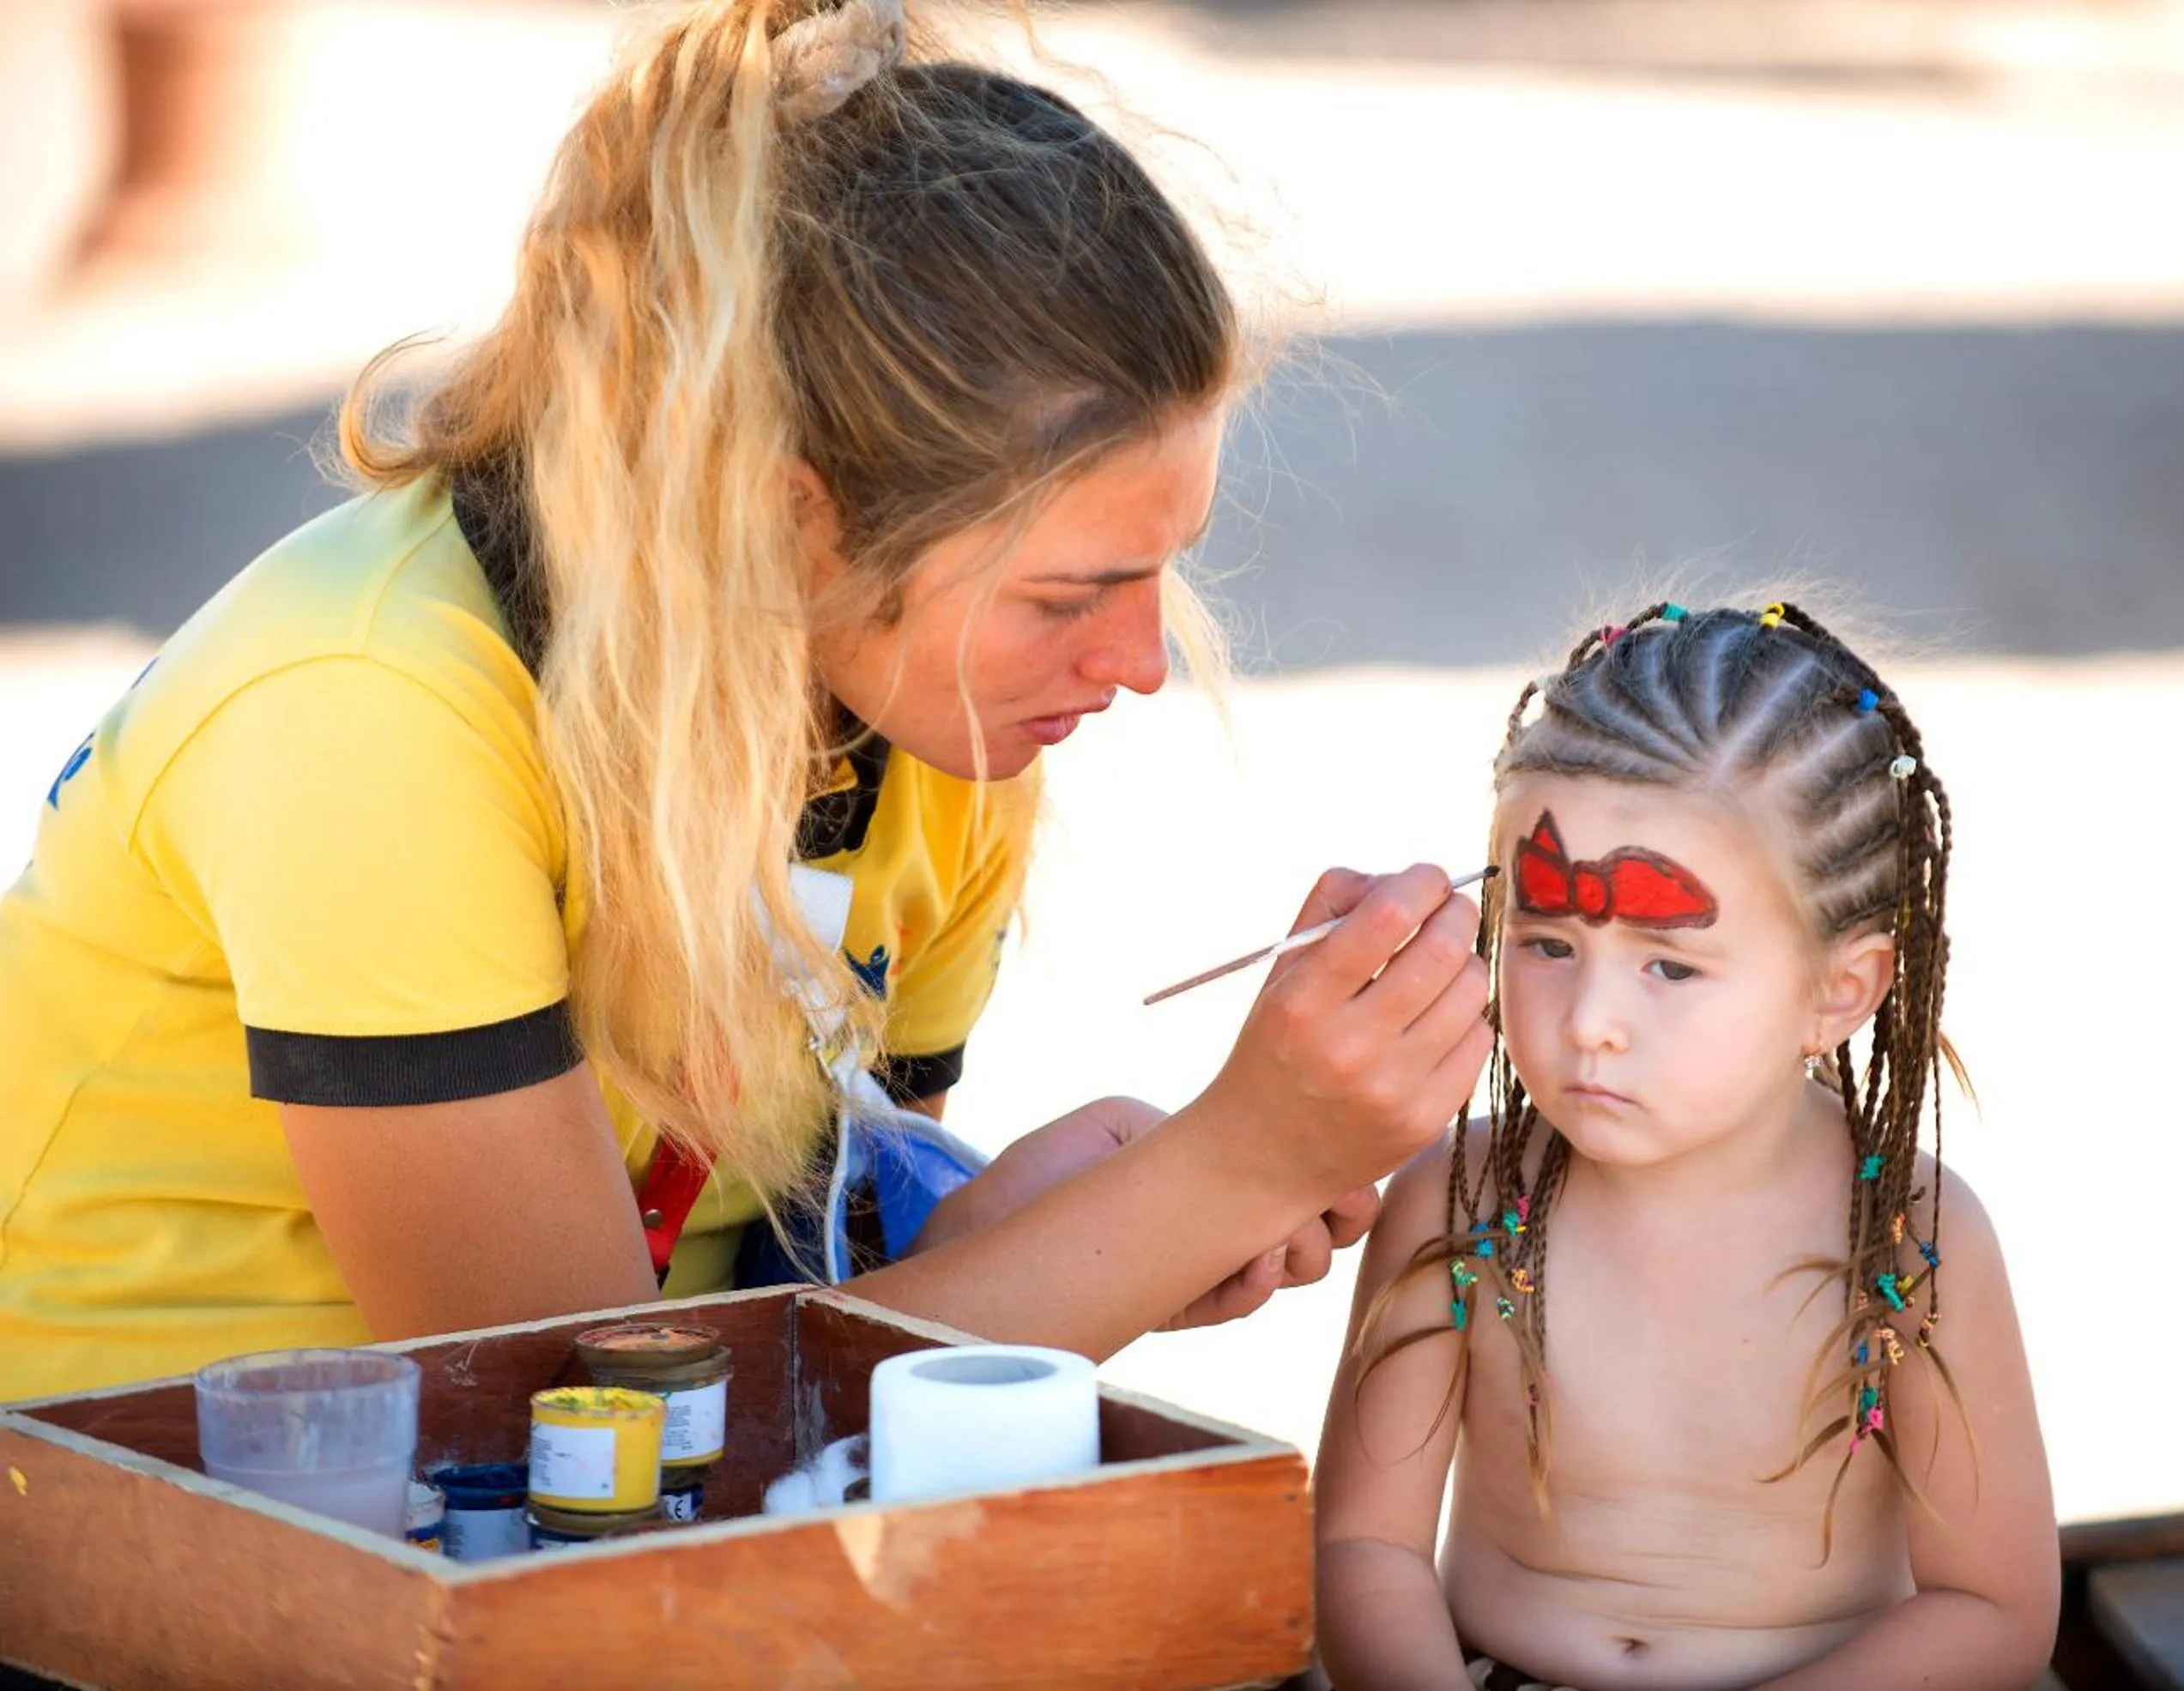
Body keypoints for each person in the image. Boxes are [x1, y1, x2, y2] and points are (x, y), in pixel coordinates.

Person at [0, 0, 1493, 1403]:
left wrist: (1010, 1220)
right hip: (121, 1510)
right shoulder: (366, 714)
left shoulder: (930, 720)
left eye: (1159, 570)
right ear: (791, 525)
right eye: (1065, 595)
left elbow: (785, 1286)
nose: (1139, 663)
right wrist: (1219, 1172)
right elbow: (569, 1415)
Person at [1313, 603, 2058, 1689]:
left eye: (1669, 966)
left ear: (1837, 991)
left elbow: (1989, 1610)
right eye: (1549, 943)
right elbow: (1364, 1550)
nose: (1590, 1020)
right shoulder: (1460, 1204)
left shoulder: (1907, 1238)